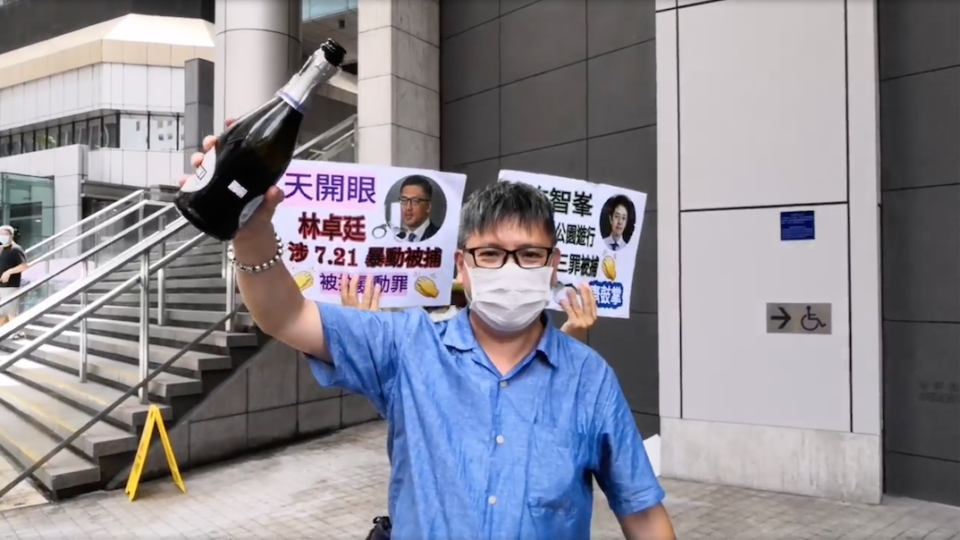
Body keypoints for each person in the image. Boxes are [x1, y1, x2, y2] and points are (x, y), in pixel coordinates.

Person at [187, 130, 675, 539]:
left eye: (529, 255)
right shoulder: (407, 345)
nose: (510, 269)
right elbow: (286, 316)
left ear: (554, 268)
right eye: (490, 255)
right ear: (462, 266)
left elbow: (643, 514)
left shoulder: (589, 379)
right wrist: (250, 229)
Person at [341, 274, 600, 540]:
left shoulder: (528, 342)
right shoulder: (412, 349)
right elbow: (391, 398)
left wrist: (568, 344)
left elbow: (538, 402)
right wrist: (366, 342)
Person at [0, 225, 28, 339]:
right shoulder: (1, 249)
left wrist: (9, 272)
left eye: (5, 234)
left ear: (11, 235)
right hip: (1, 286)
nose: (2, 236)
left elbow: (24, 265)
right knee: (2, 312)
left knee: (11, 311)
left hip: (10, 286)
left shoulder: (16, 249)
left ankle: (17, 332)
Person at [395, 175, 439, 242]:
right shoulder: (395, 239)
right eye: (404, 200)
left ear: (428, 206)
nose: (408, 207)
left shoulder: (440, 236)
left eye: (414, 201)